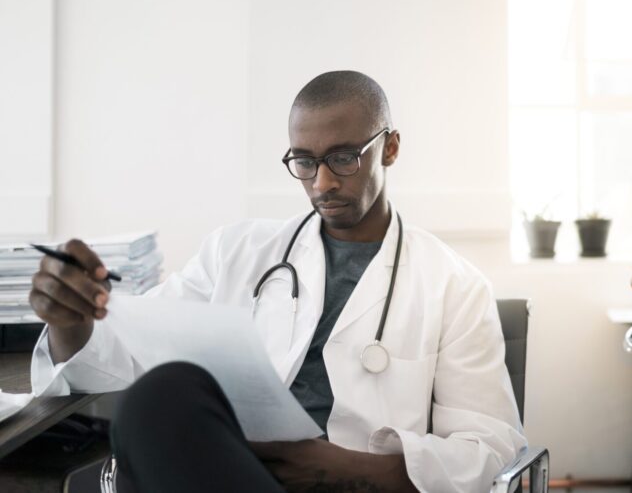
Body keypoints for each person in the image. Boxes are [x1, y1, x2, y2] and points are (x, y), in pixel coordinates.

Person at [29, 71, 525, 492]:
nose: (322, 183)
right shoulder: (236, 253)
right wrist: (70, 319)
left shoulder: (455, 286)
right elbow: (121, 356)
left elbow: (488, 449)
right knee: (160, 393)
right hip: (232, 472)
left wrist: (340, 468)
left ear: (390, 148)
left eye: (344, 158)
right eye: (304, 162)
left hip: (351, 484)